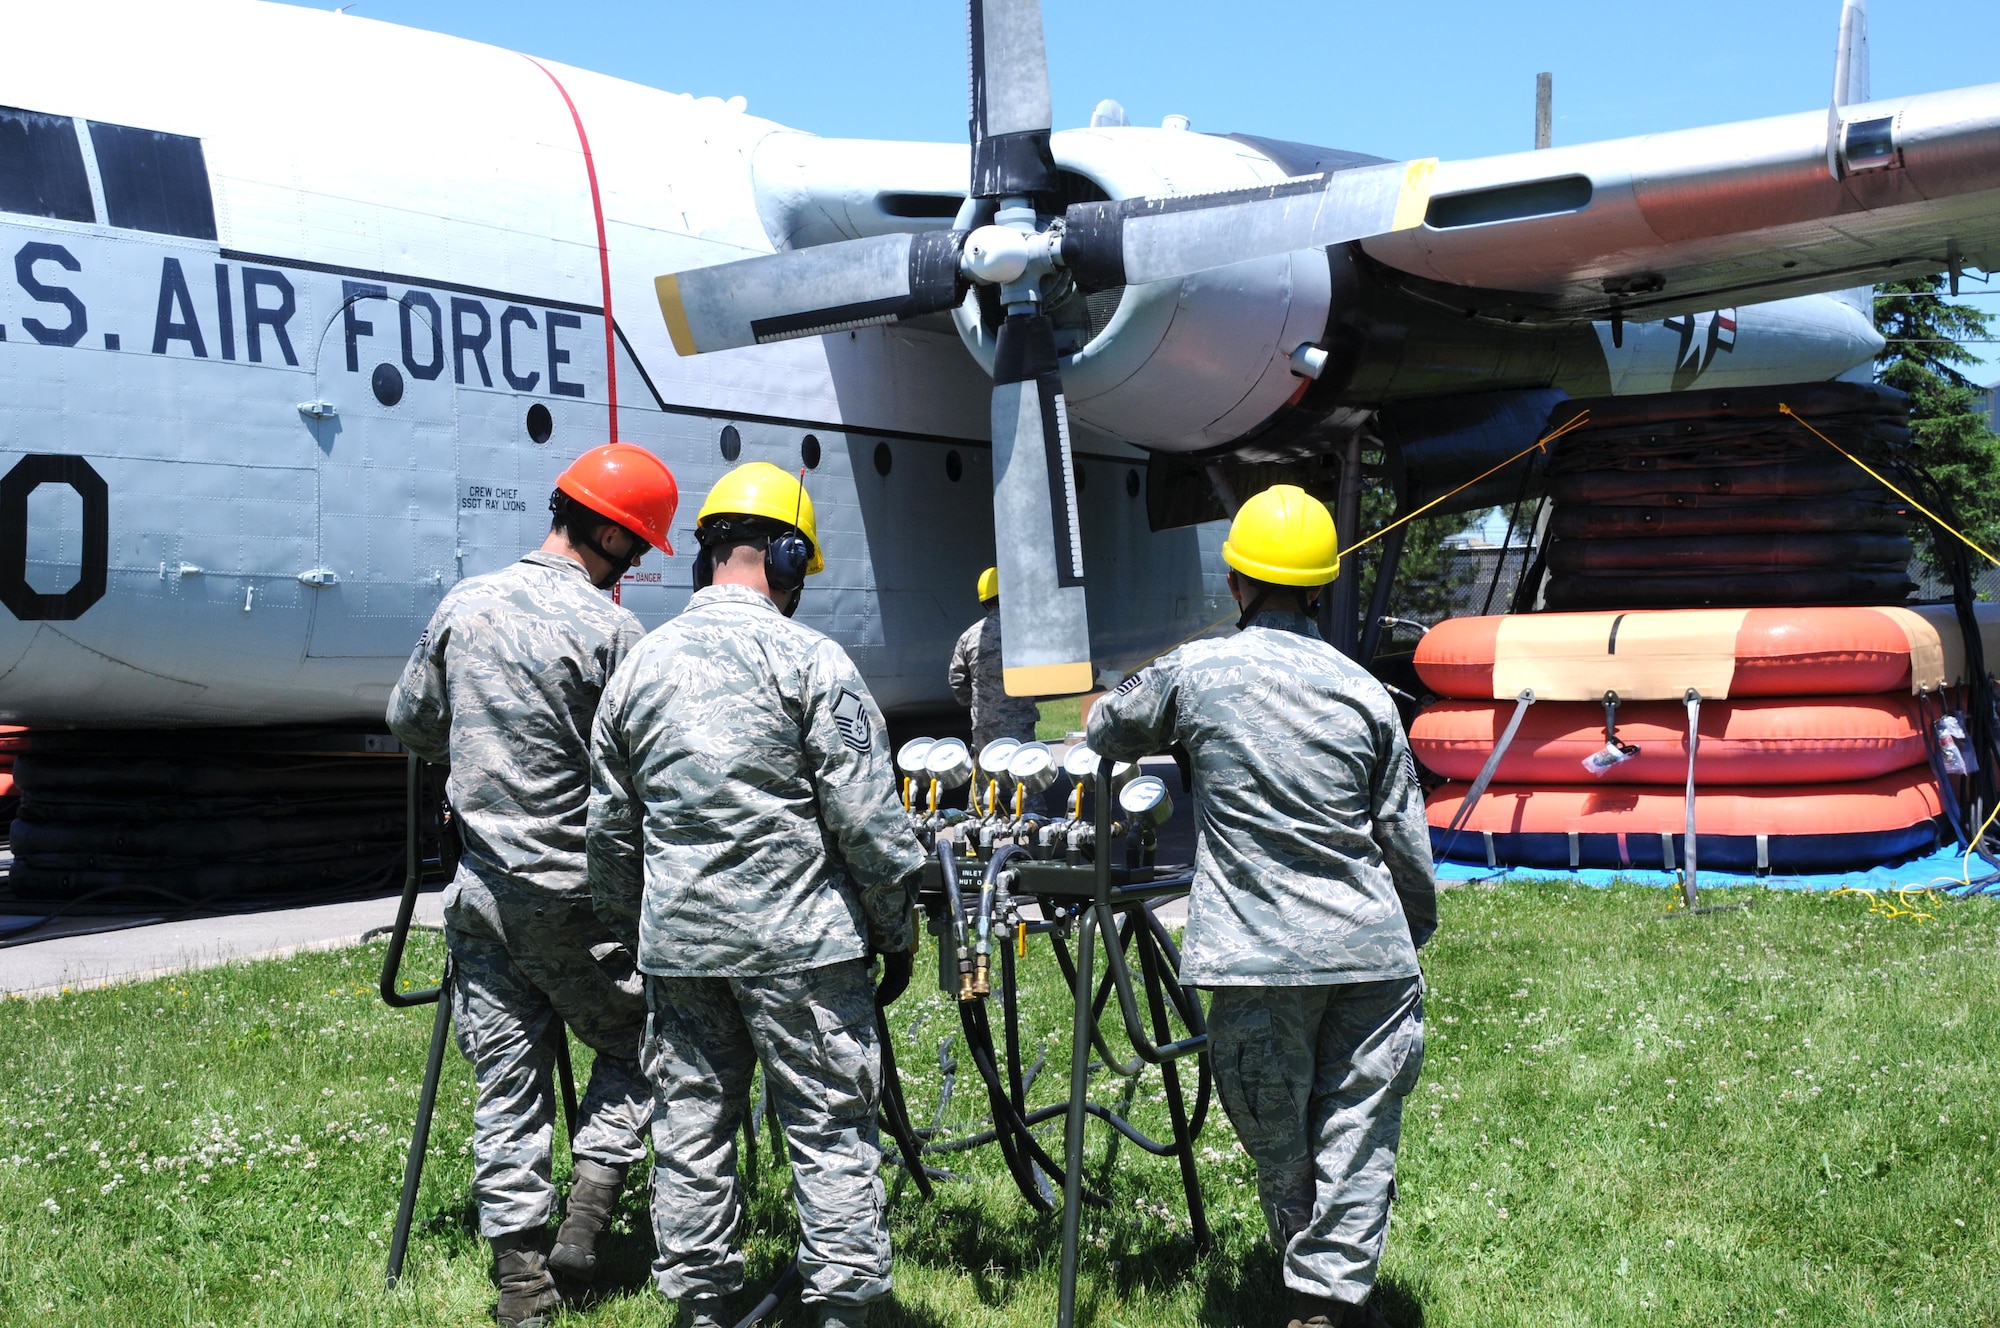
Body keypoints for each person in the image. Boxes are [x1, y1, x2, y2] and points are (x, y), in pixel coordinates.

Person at [1085, 484, 1436, 1328]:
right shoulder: (1365, 692)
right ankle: (1332, 1293)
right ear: (1319, 588)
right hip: (1369, 953)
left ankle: (1313, 1290)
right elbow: (1405, 842)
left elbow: (1106, 727)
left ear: (1235, 581)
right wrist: (1408, 934)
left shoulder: (1194, 670)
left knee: (1277, 1135)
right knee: (1358, 1125)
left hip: (1255, 957)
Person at [587, 461, 924, 1328]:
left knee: (691, 1133)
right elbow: (869, 822)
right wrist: (896, 933)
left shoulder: (639, 667)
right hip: (802, 948)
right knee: (829, 1128)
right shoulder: (811, 660)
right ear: (784, 557)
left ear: (709, 557)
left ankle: (701, 1307)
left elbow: (611, 835)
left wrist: (642, 932)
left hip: (682, 948)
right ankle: (849, 1306)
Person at [387, 442, 680, 1328]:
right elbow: (646, 769)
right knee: (649, 1044)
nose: (631, 568)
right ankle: (588, 1214)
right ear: (604, 533)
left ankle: (522, 1283)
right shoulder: (615, 635)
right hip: (580, 903)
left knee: (505, 1084)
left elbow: (412, 721)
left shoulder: (461, 604)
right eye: (633, 549)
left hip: (481, 896)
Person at [949, 565, 1041, 754]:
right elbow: (1051, 668)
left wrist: (979, 702)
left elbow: (957, 680)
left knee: (987, 777)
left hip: (984, 722)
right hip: (1020, 721)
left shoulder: (970, 636)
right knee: (1021, 775)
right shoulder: (1027, 633)